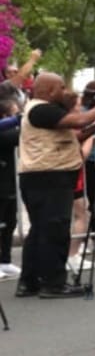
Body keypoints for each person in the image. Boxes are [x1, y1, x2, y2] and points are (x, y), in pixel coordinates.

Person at [17, 74, 95, 298]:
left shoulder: (44, 112)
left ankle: (30, 281)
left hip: (42, 177)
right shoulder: (41, 109)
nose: (65, 91)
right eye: (61, 87)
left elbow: (76, 135)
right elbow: (80, 121)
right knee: (55, 229)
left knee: (40, 230)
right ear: (49, 90)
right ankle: (53, 283)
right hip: (49, 177)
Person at [0, 99, 19, 278]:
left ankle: (5, 261)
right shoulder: (4, 134)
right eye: (13, 113)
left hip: (9, 183)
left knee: (10, 223)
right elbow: (14, 136)